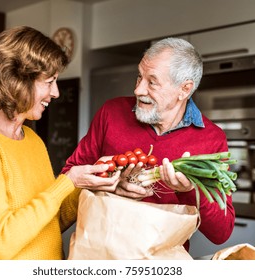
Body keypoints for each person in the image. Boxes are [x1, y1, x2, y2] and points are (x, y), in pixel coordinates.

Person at [0, 26, 121, 260]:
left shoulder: (33, 139)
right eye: (49, 81)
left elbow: (49, 222)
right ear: (16, 80)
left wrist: (88, 184)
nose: (56, 92)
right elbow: (3, 241)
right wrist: (67, 182)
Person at [62, 37, 235, 252]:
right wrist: (110, 183)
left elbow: (222, 232)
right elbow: (69, 177)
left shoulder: (211, 139)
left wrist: (189, 190)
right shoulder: (111, 112)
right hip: (99, 253)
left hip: (161, 263)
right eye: (139, 77)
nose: (138, 90)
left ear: (184, 89)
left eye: (152, 82)